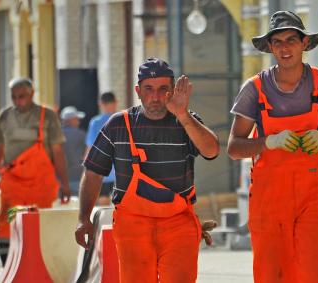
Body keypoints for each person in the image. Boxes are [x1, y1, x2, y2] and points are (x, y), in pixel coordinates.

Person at [227, 11, 318, 283]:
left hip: (313, 196)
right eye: (278, 42)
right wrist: (267, 142)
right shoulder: (255, 89)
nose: (285, 48)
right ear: (271, 48)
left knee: (311, 268)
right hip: (269, 199)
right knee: (272, 272)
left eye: (291, 40)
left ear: (305, 43)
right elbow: (234, 147)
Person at [75, 57, 220, 283]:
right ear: (138, 91)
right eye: (148, 89)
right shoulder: (118, 125)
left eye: (163, 89)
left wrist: (183, 115)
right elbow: (93, 172)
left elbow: (212, 150)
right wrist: (84, 218)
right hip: (132, 227)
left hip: (178, 225)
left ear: (172, 90)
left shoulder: (186, 121)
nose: (155, 97)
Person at [0, 77, 71, 266]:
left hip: (41, 184)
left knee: (41, 225)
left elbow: (58, 152)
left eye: (22, 96)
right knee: (6, 224)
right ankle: (8, 265)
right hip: (12, 184)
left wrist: (65, 184)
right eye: (14, 97)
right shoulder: (5, 116)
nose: (18, 101)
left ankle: (39, 265)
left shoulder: (47, 116)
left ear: (32, 94)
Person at [85, 92, 117, 205]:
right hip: (120, 172)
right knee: (119, 207)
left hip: (100, 172)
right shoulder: (123, 120)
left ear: (100, 104)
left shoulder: (95, 122)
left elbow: (90, 148)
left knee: (103, 207)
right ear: (115, 103)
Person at [60, 106, 87, 196]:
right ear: (70, 120)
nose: (79, 121)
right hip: (77, 178)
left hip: (59, 181)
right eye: (77, 119)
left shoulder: (56, 136)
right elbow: (87, 155)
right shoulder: (82, 135)